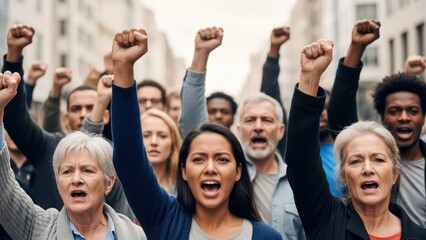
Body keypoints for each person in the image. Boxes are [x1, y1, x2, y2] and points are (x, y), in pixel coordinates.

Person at [110, 27, 281, 239]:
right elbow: (129, 160)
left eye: (222, 159)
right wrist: (123, 68)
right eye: (199, 159)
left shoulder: (267, 237)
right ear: (183, 170)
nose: (210, 168)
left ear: (238, 171)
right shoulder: (165, 218)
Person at [286, 38, 426, 239]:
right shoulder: (327, 220)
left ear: (395, 173)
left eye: (378, 159)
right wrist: (309, 77)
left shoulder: (419, 235)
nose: (367, 169)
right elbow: (301, 162)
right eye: (356, 161)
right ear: (342, 175)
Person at [179, 26, 304, 239]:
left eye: (266, 120)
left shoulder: (299, 183)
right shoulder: (224, 172)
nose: (258, 126)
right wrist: (201, 55)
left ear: (281, 130)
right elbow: (192, 118)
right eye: (250, 120)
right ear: (238, 129)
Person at [1, 24, 134, 220]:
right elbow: (15, 119)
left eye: (92, 107)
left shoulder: (113, 157)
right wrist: (14, 56)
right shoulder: (48, 146)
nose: (77, 179)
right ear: (66, 117)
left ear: (109, 182)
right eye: (76, 108)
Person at [0, 71, 145, 239]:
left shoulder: (136, 235)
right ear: (58, 181)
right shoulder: (40, 228)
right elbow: (4, 189)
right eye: (67, 171)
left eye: (88, 171)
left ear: (109, 182)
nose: (76, 179)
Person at [328, 20, 426, 227]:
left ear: (423, 117)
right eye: (394, 111)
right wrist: (357, 47)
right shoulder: (366, 161)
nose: (404, 117)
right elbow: (338, 116)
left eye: (413, 111)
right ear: (381, 117)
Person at [141, 108, 182, 194]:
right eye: (146, 135)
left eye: (162, 136)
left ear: (173, 143)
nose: (154, 142)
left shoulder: (183, 188)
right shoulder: (121, 183)